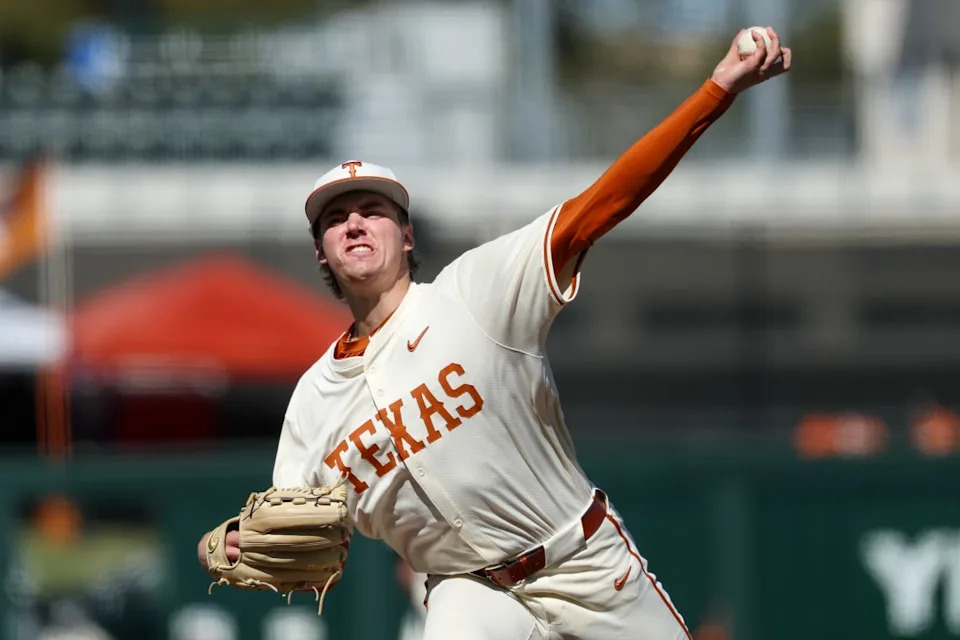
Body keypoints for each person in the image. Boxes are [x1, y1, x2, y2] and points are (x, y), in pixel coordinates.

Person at [198, 28, 791, 639]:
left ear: (406, 236)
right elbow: (290, 535)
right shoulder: (312, 403)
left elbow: (601, 204)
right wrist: (231, 547)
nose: (354, 222)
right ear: (322, 253)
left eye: (373, 209)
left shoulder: (474, 294)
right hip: (471, 592)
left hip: (581, 564)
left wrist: (716, 91)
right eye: (334, 218)